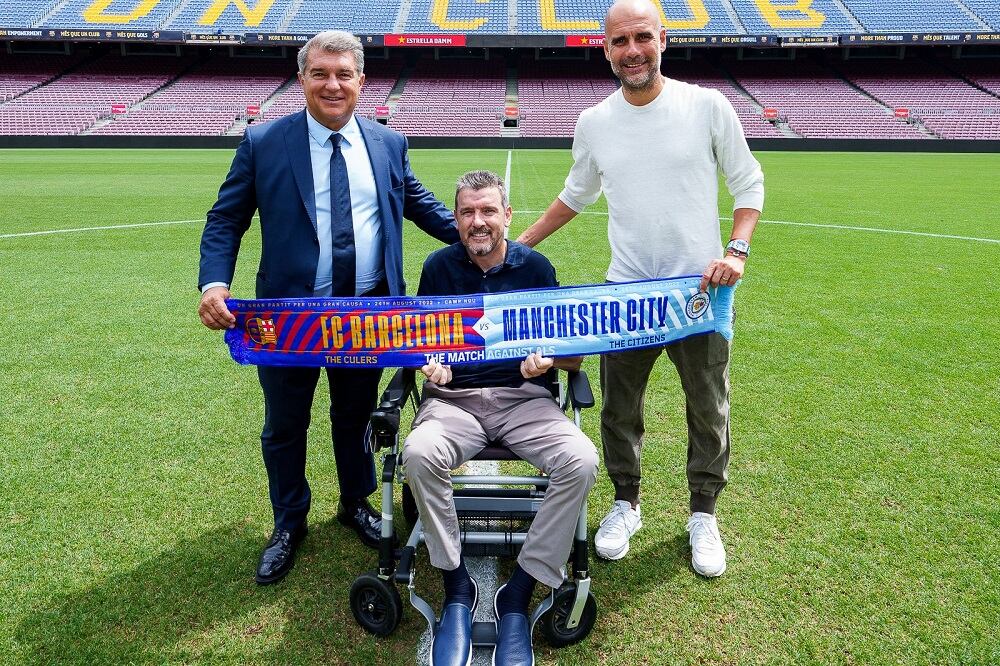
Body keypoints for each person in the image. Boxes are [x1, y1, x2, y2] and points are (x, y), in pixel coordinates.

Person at [196, 30, 459, 585]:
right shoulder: (264, 141)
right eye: (320, 74)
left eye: (344, 74)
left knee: (356, 415)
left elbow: (418, 203)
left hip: (366, 315)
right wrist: (214, 283)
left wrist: (478, 237)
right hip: (288, 318)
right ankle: (289, 521)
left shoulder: (388, 143)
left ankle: (354, 502)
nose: (332, 85)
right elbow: (226, 218)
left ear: (361, 81)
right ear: (303, 80)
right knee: (285, 424)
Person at [517, 0, 764, 578]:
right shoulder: (595, 122)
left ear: (662, 39)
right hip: (627, 293)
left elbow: (748, 182)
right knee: (619, 408)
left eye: (642, 37)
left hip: (697, 293)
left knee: (708, 408)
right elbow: (576, 194)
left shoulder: (706, 106)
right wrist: (519, 247)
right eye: (620, 41)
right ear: (604, 49)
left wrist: (737, 249)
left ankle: (703, 514)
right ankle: (626, 503)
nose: (632, 50)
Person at [402, 171, 598, 666]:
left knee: (580, 459)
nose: (478, 221)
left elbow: (574, 353)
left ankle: (520, 590)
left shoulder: (536, 268)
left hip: (524, 399)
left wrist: (550, 360)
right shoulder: (438, 268)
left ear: (507, 215)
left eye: (488, 210)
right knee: (419, 453)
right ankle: (455, 584)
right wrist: (427, 362)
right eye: (467, 212)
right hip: (454, 401)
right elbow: (417, 342)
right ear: (456, 219)